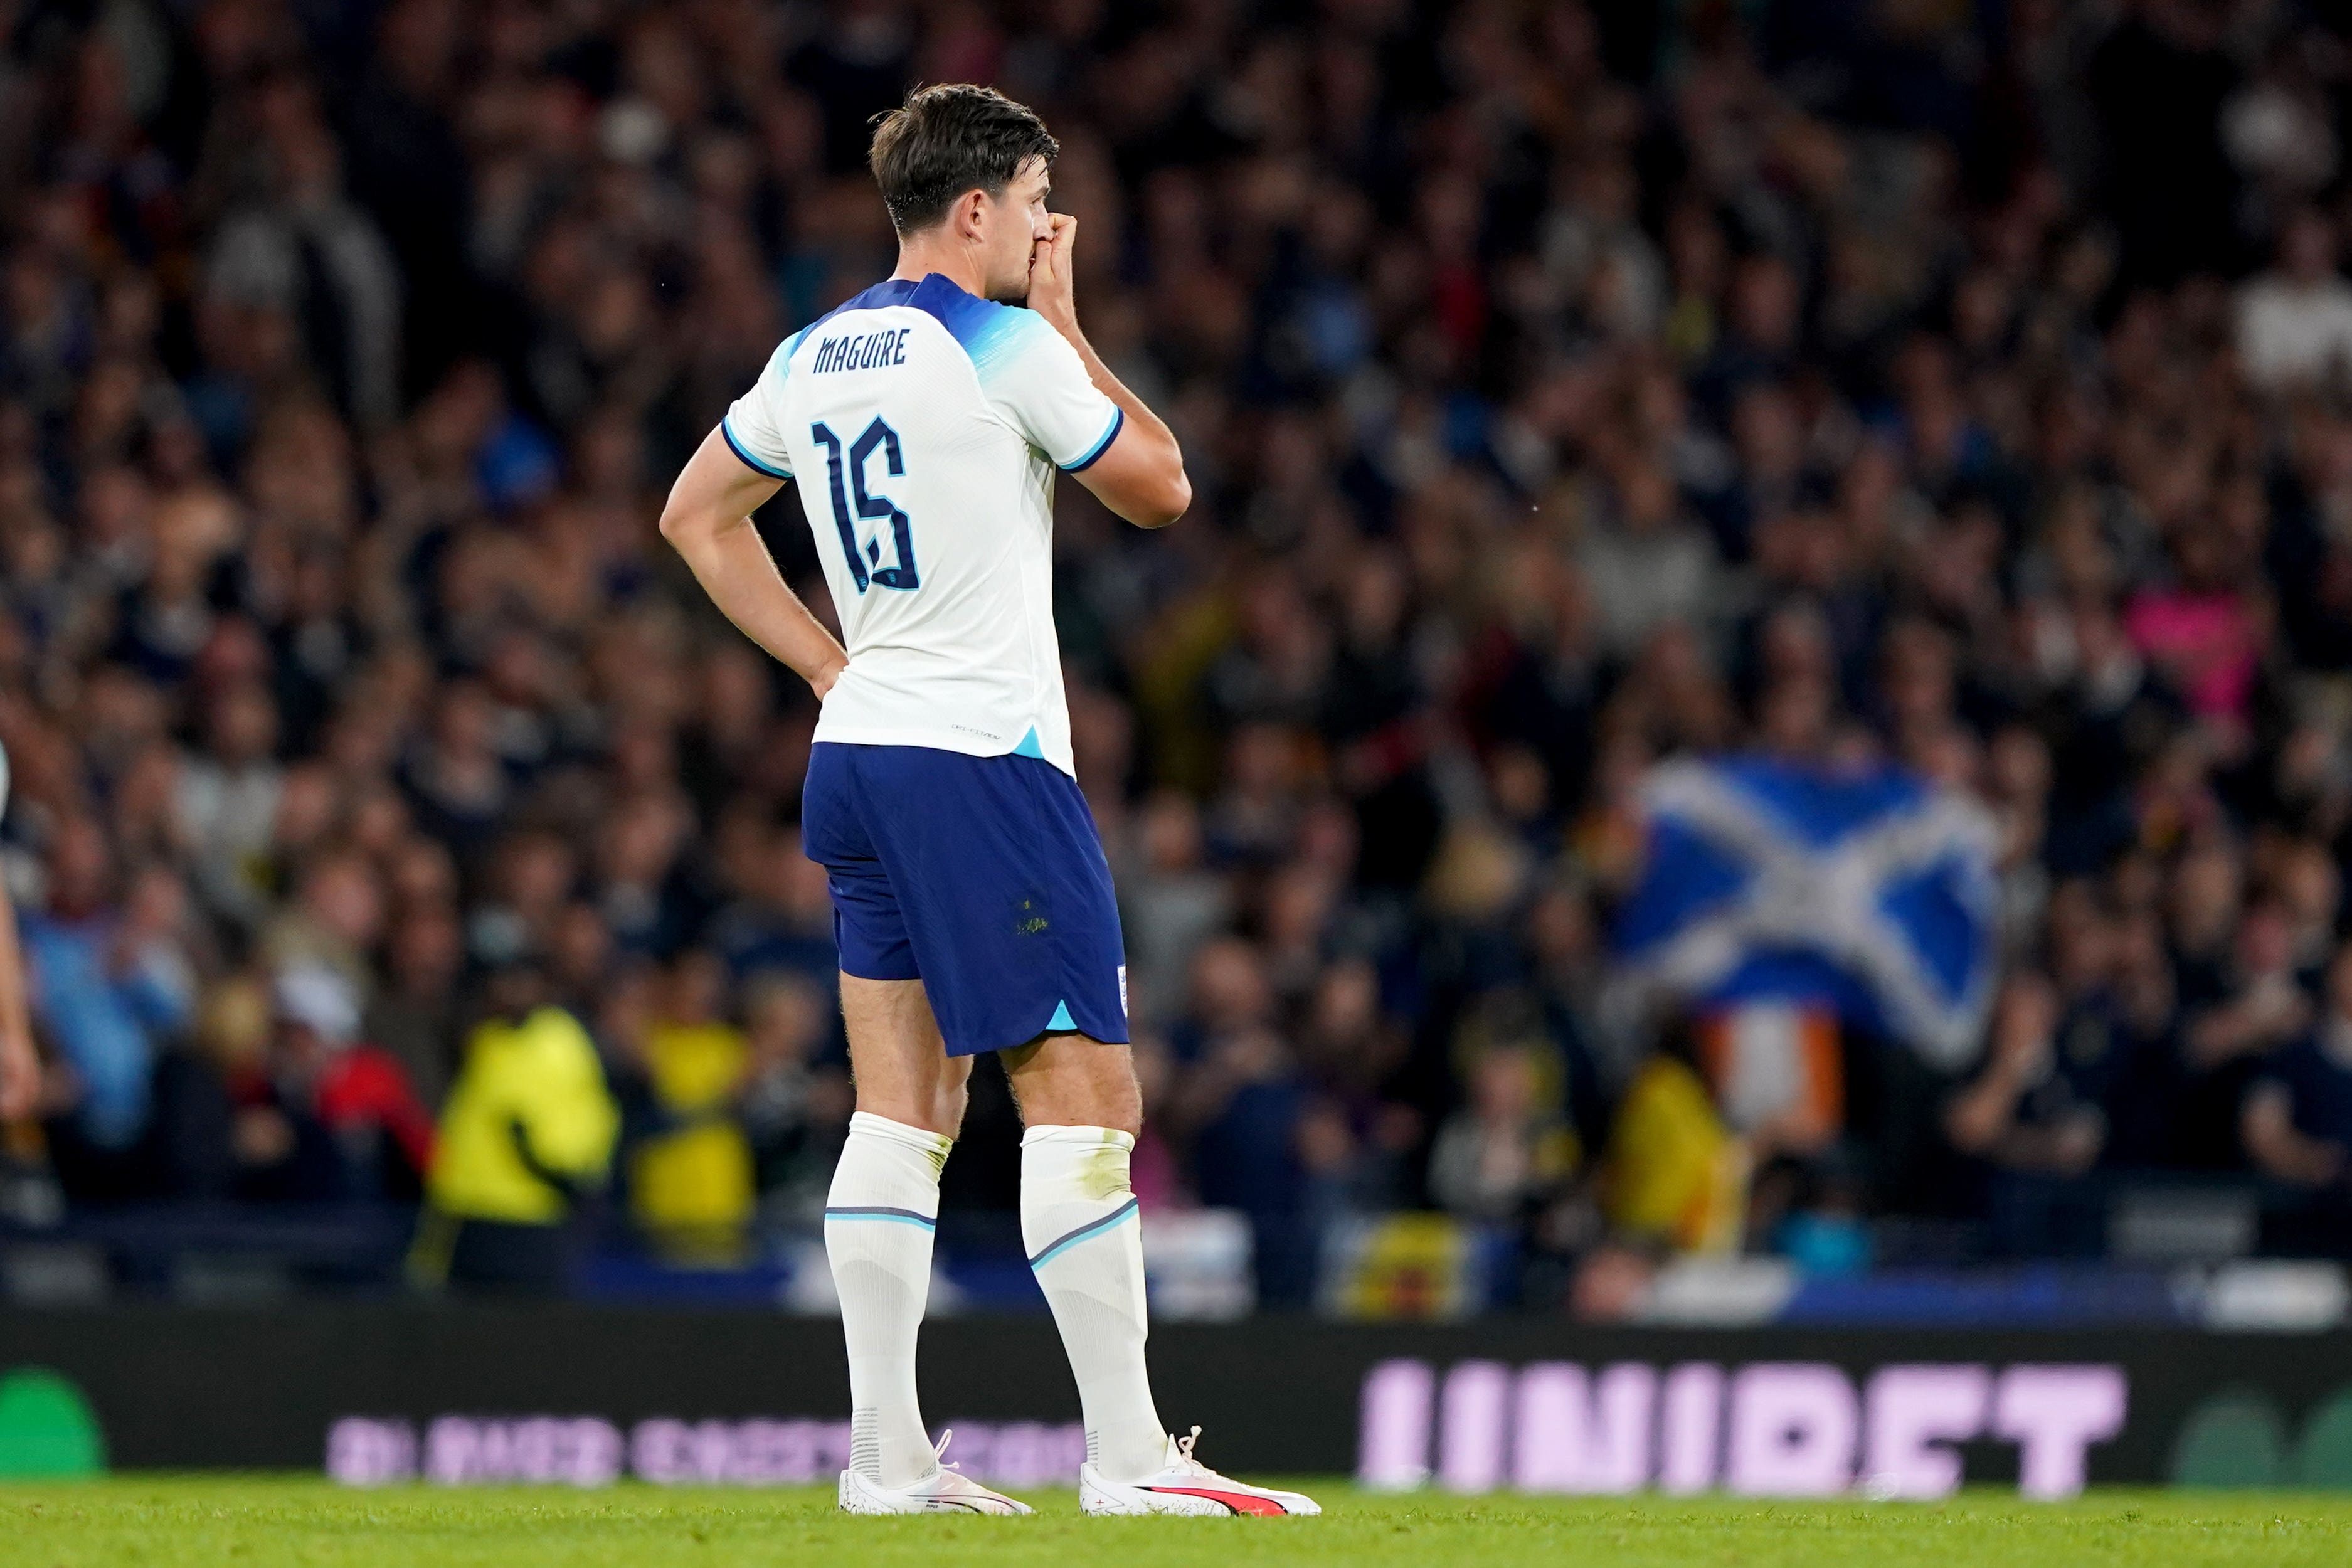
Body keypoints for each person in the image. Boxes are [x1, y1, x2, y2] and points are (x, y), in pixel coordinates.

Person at [659, 83, 1315, 1518]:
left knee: (902, 1111)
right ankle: (1131, 1455)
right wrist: (1071, 320)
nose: (1043, 227)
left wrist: (832, 666)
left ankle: (887, 1457)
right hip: (982, 761)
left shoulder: (811, 352)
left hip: (863, 755)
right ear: (974, 211)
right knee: (1084, 1090)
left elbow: (693, 516)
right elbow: (1163, 488)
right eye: (1031, 203)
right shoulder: (1006, 341)